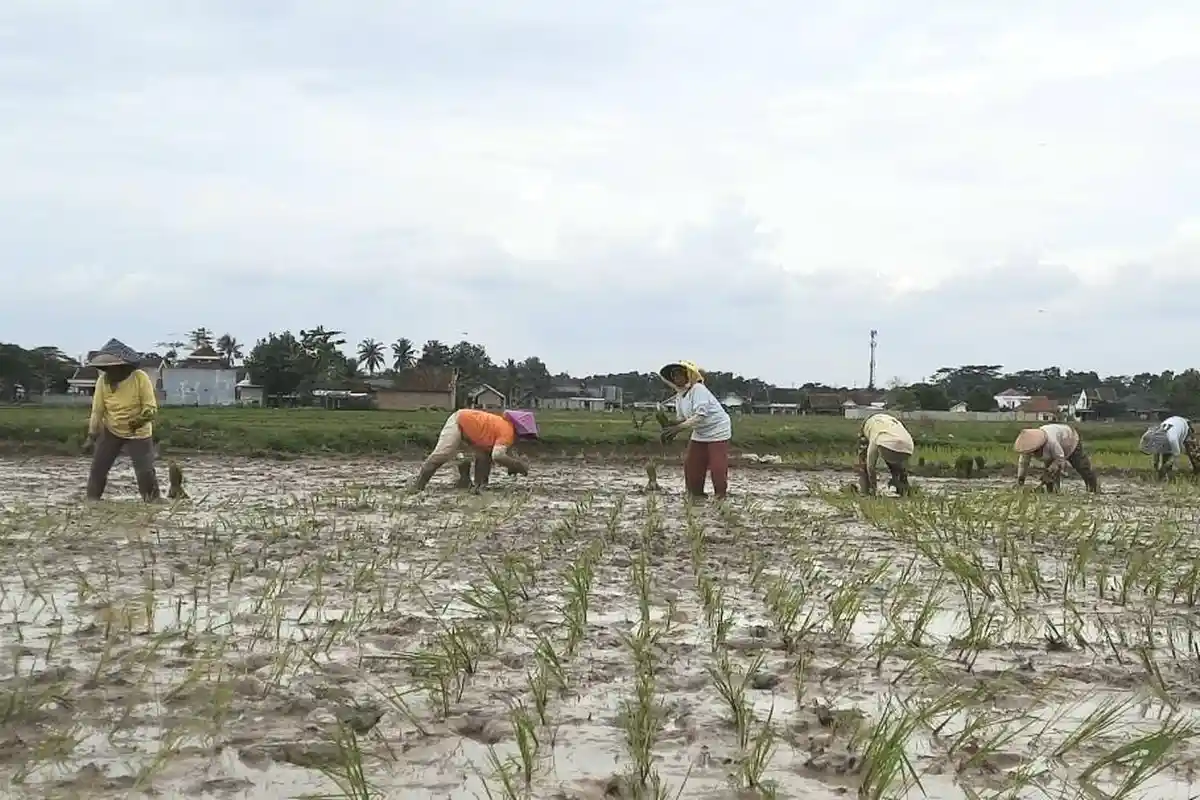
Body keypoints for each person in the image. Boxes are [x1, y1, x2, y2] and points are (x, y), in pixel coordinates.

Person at [83, 339, 162, 501]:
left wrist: (141, 419)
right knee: (98, 467)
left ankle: (152, 501)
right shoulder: (102, 382)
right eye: (106, 369)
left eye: (112, 369)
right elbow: (97, 411)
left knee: (144, 471)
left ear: (124, 367)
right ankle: (92, 500)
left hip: (138, 431)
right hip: (112, 429)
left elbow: (150, 407)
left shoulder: (140, 378)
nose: (110, 373)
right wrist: (91, 436)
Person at [410, 409, 537, 491]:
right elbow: (498, 456)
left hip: (470, 428)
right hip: (459, 422)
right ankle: (418, 486)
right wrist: (517, 465)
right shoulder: (508, 432)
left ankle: (476, 485)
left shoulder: (506, 427)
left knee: (483, 456)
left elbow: (495, 455)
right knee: (442, 455)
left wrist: (512, 465)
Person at [658, 361, 732, 500]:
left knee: (717, 466)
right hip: (700, 431)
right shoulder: (680, 395)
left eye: (680, 374)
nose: (676, 378)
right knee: (692, 465)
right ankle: (696, 496)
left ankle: (720, 497)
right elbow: (682, 418)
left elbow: (700, 415)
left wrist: (677, 429)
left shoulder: (698, 389)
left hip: (718, 429)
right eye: (674, 376)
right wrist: (668, 425)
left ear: (689, 375)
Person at [1014, 423, 1099, 493]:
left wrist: (1049, 471)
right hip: (1054, 452)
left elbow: (1060, 459)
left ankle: (1094, 489)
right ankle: (1053, 493)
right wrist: (1020, 480)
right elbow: (1023, 464)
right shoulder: (1027, 447)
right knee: (1050, 477)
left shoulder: (1051, 442)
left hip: (1069, 440)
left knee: (1081, 466)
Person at [857, 413, 915, 496]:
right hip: (908, 446)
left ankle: (866, 491)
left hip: (889, 443)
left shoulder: (873, 434)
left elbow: (870, 466)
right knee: (899, 468)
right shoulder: (884, 424)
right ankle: (903, 489)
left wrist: (873, 487)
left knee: (864, 463)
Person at [1139, 415, 1200, 480]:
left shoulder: (1172, 439)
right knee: (1165, 456)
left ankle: (1197, 472)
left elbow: (1176, 455)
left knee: (1192, 452)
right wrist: (1156, 465)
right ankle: (1165, 477)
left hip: (1184, 425)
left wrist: (1165, 466)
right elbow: (1156, 452)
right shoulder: (1156, 435)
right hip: (1173, 423)